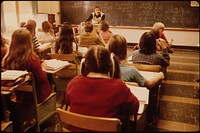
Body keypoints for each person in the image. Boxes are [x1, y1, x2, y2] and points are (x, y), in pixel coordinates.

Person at [65, 46, 139, 132]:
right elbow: (134, 108)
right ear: (111, 65)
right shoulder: (119, 87)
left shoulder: (73, 83)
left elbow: (68, 102)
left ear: (84, 65)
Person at [2, 29, 52, 132]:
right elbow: (41, 80)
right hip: (37, 98)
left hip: (18, 99)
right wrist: (43, 69)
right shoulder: (32, 60)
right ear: (29, 42)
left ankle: (26, 121)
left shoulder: (7, 60)